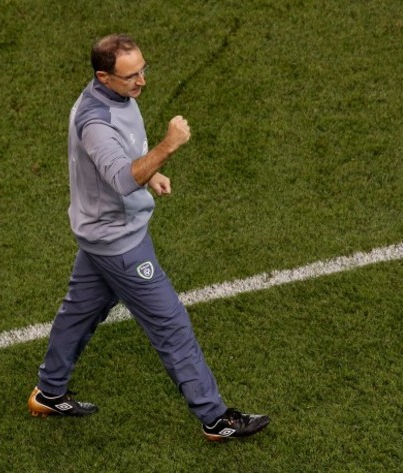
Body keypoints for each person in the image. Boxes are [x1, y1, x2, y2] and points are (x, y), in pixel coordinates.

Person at [28, 34, 270, 440]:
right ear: (103, 77)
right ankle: (215, 418)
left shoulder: (115, 97)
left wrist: (150, 173)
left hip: (99, 235)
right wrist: (168, 146)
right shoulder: (95, 122)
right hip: (119, 242)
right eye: (131, 76)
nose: (141, 81)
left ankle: (49, 391)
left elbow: (120, 164)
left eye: (143, 69)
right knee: (171, 324)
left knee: (79, 314)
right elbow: (122, 180)